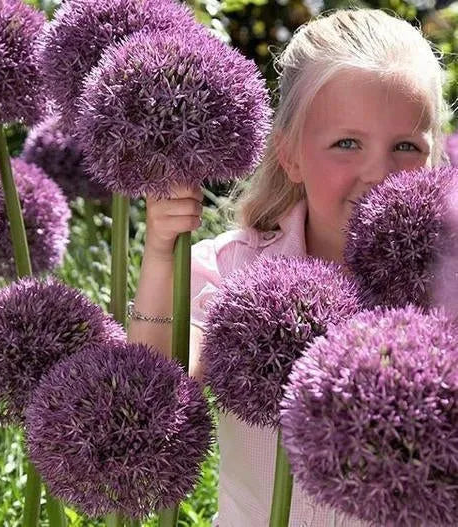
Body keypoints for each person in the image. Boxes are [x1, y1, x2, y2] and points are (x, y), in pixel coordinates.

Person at [127, 7, 451, 526]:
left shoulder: (446, 287)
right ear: (291, 155)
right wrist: (163, 254)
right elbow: (149, 391)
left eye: (406, 146)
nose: (378, 171)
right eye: (347, 143)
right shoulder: (234, 271)